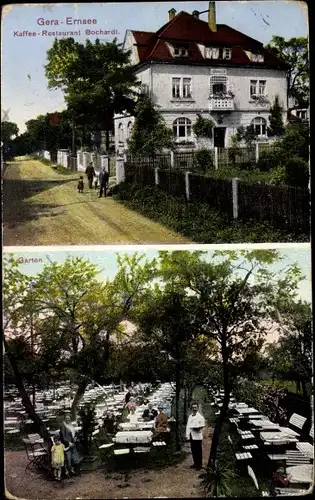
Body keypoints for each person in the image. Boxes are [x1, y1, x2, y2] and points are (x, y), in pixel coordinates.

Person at [186, 403, 205, 470]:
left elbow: (202, 425)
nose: (194, 409)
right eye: (193, 407)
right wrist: (187, 435)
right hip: (192, 435)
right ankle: (195, 463)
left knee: (198, 450)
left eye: (195, 407)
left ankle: (199, 465)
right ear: (191, 408)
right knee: (193, 450)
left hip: (197, 435)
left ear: (197, 408)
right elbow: (188, 426)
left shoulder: (200, 417)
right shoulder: (190, 416)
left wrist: (197, 428)